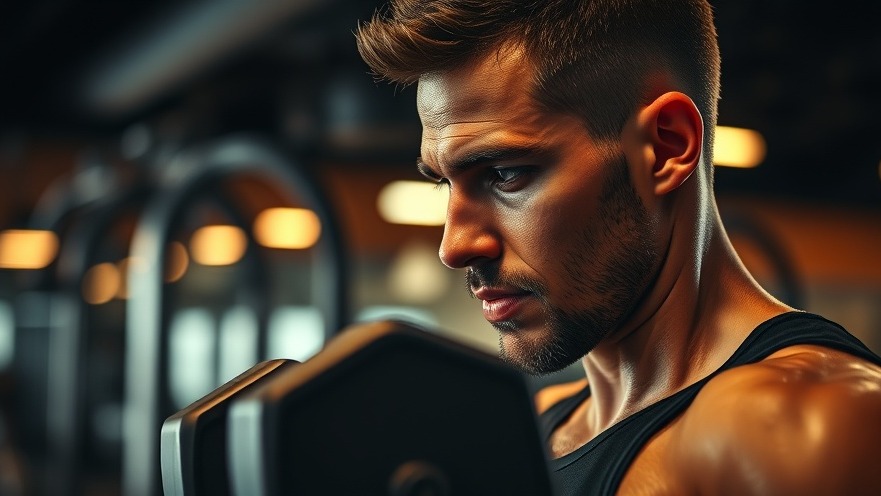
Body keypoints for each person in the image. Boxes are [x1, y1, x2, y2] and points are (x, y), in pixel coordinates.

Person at [355, 1, 881, 494]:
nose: (455, 246)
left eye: (506, 174)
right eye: (444, 183)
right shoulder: (538, 427)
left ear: (664, 148)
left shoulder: (804, 428)